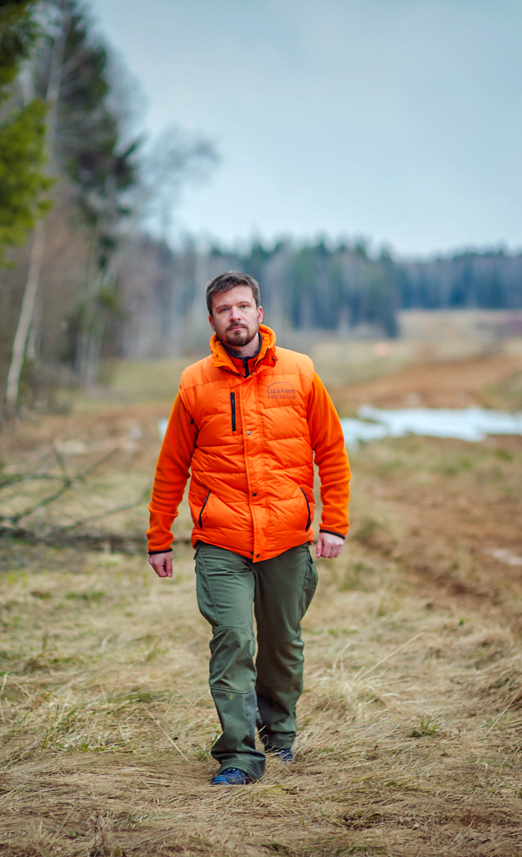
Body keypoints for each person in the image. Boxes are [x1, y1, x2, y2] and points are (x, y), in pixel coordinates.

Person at [146, 270, 350, 786]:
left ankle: (279, 735)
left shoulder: (301, 373)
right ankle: (238, 754)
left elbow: (331, 451)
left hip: (287, 535)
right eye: (222, 309)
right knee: (233, 639)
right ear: (211, 321)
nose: (234, 316)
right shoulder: (195, 383)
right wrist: (158, 537)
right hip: (222, 540)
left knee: (282, 642)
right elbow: (172, 465)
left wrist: (335, 525)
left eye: (242, 306)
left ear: (260, 313)